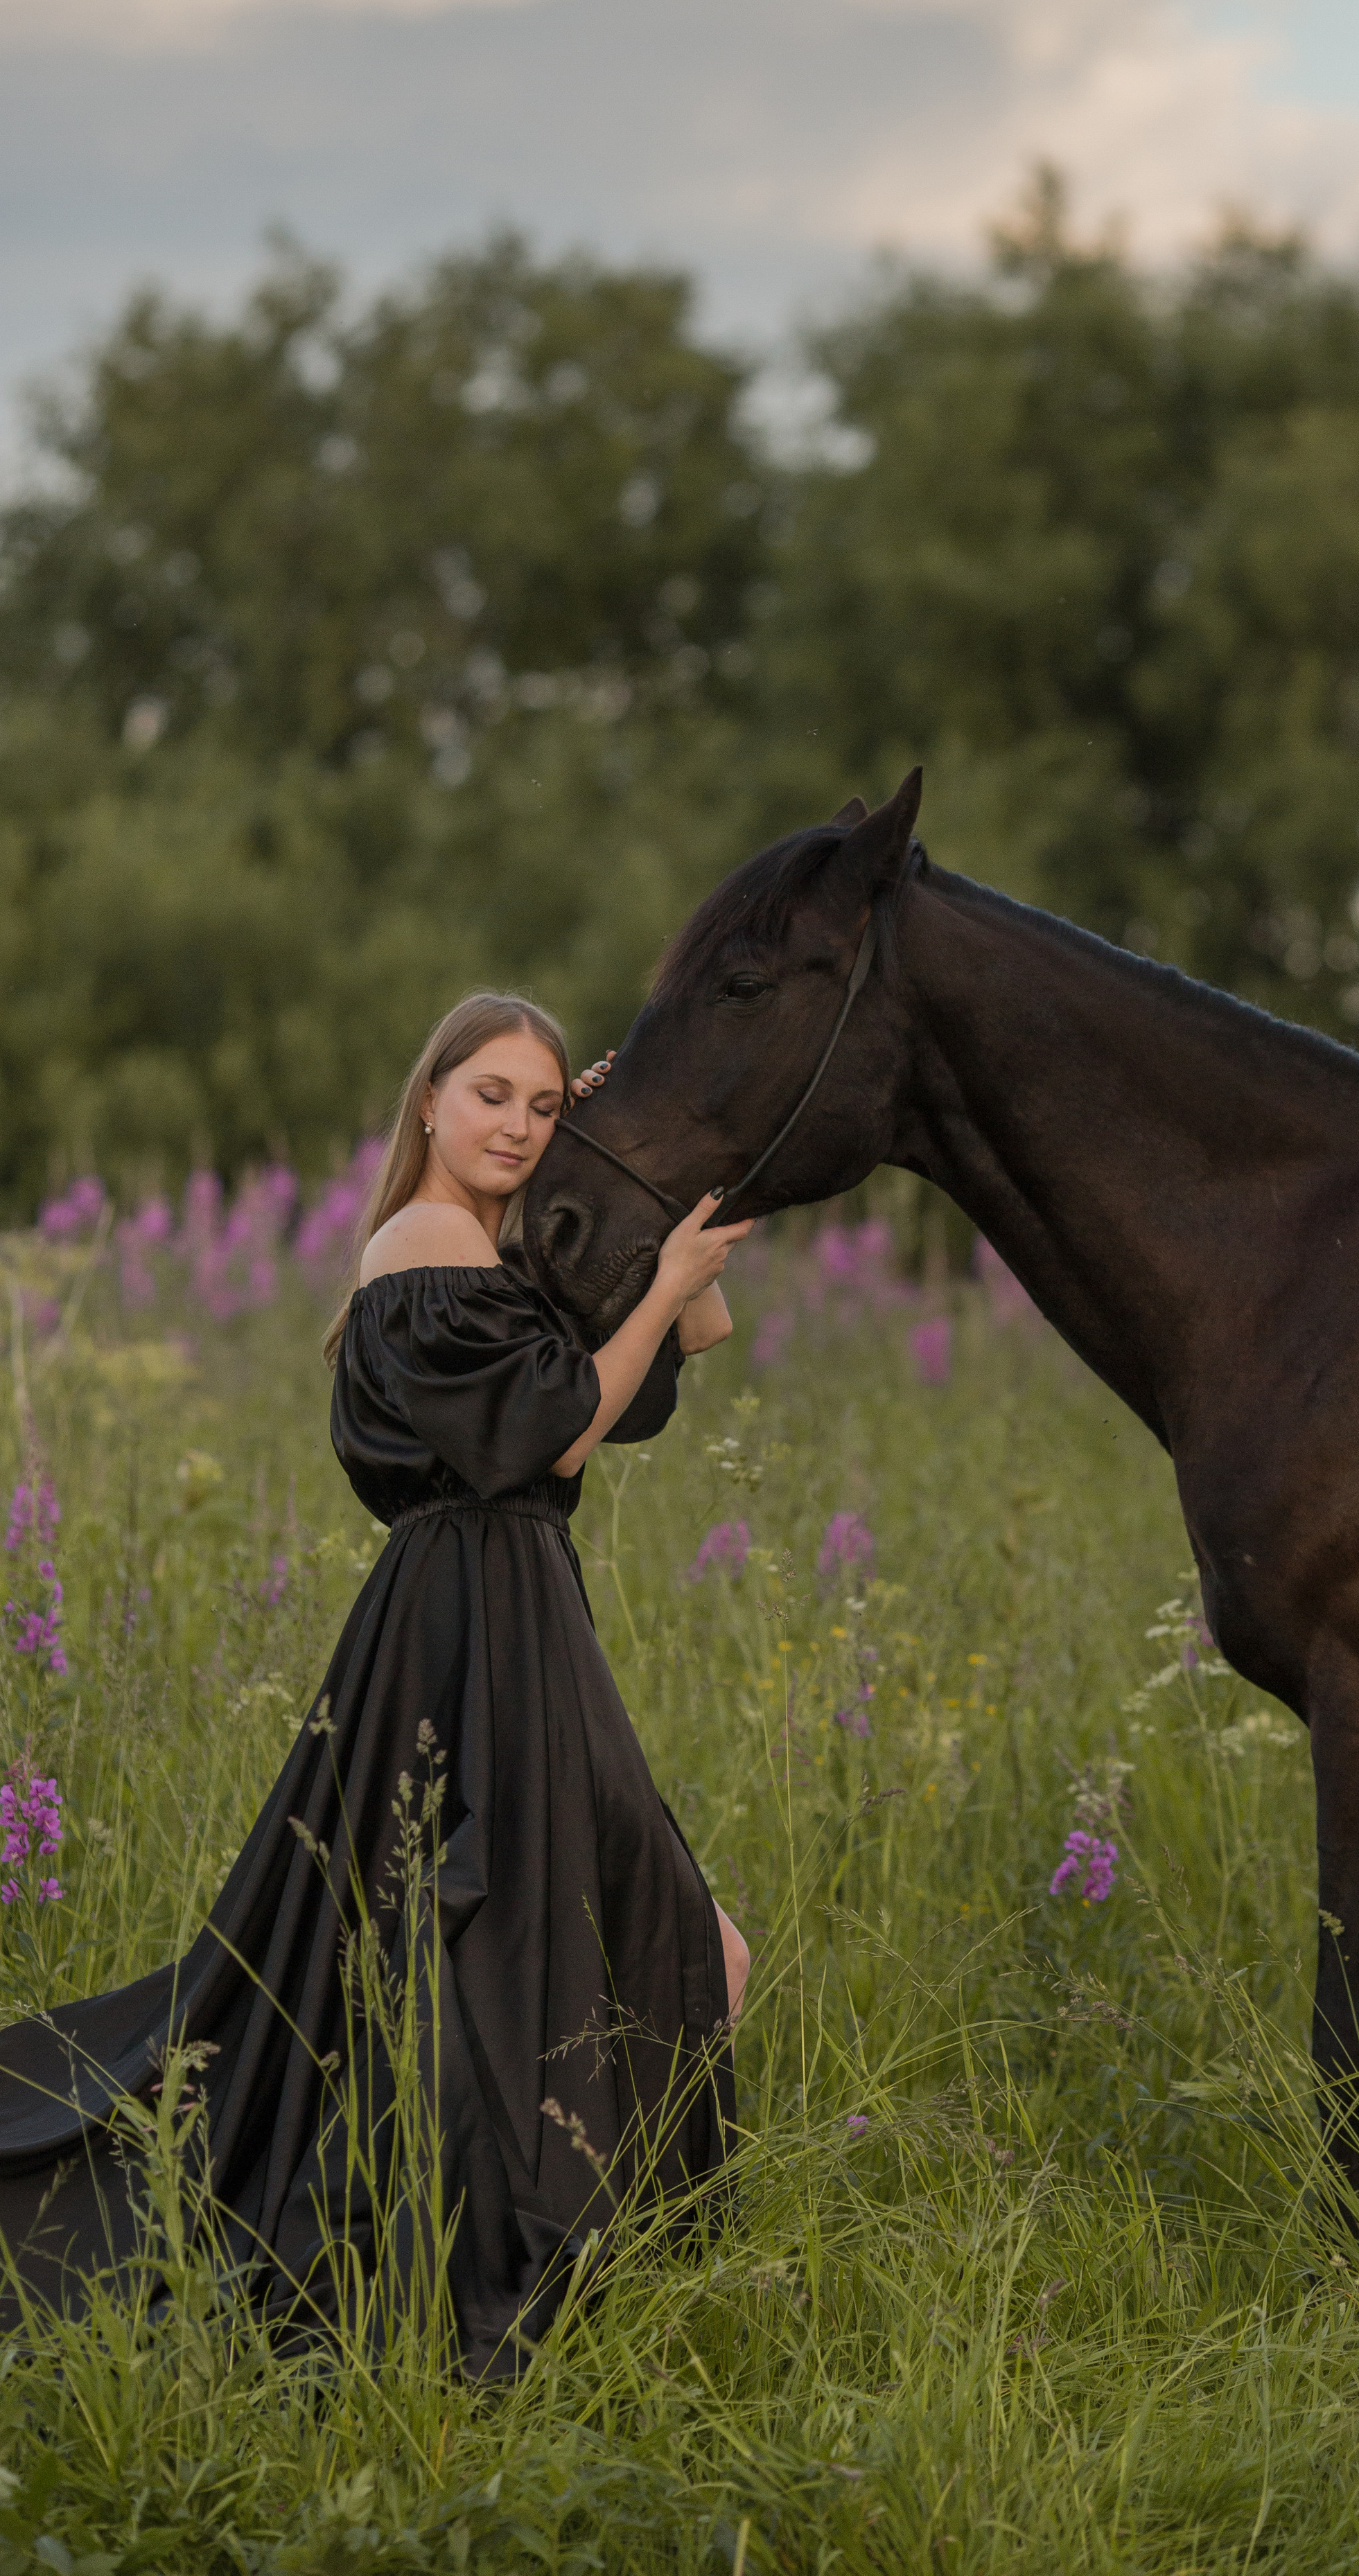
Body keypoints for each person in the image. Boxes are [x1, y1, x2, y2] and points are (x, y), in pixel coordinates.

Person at [0, 991, 753, 2374]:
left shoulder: (498, 1257)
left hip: (516, 1606)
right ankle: (512, 2249)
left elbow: (688, 1344)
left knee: (635, 1943)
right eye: (492, 1097)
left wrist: (647, 1176)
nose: (518, 1125)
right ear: (429, 1100)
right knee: (590, 1940)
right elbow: (562, 1431)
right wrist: (651, 1287)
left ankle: (554, 2239)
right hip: (469, 1612)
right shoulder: (419, 1246)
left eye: (541, 1104)